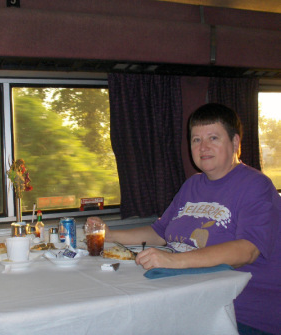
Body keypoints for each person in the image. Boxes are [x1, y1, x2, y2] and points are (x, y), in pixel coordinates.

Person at [87, 103, 280, 335]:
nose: (203, 147)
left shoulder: (255, 185)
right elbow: (160, 232)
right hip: (190, 298)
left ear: (235, 143)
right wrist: (111, 235)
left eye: (213, 138)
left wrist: (174, 260)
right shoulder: (192, 185)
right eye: (196, 139)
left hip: (239, 312)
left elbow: (247, 251)